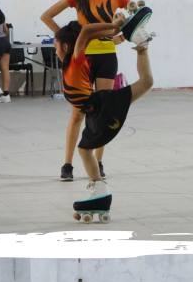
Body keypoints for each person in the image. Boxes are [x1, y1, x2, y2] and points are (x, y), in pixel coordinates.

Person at [52, 12, 154, 223]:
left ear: (64, 47)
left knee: (146, 82)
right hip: (96, 108)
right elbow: (89, 35)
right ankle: (99, 191)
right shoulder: (75, 58)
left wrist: (115, 24)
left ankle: (99, 191)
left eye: (55, 47)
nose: (55, 51)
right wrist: (115, 29)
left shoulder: (77, 57)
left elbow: (87, 31)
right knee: (84, 149)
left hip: (101, 106)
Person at [40, 0, 134, 182]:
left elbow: (136, 16)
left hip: (107, 58)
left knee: (104, 111)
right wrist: (66, 39)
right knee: (77, 113)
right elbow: (46, 16)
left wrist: (121, 36)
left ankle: (98, 163)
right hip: (83, 59)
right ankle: (68, 165)